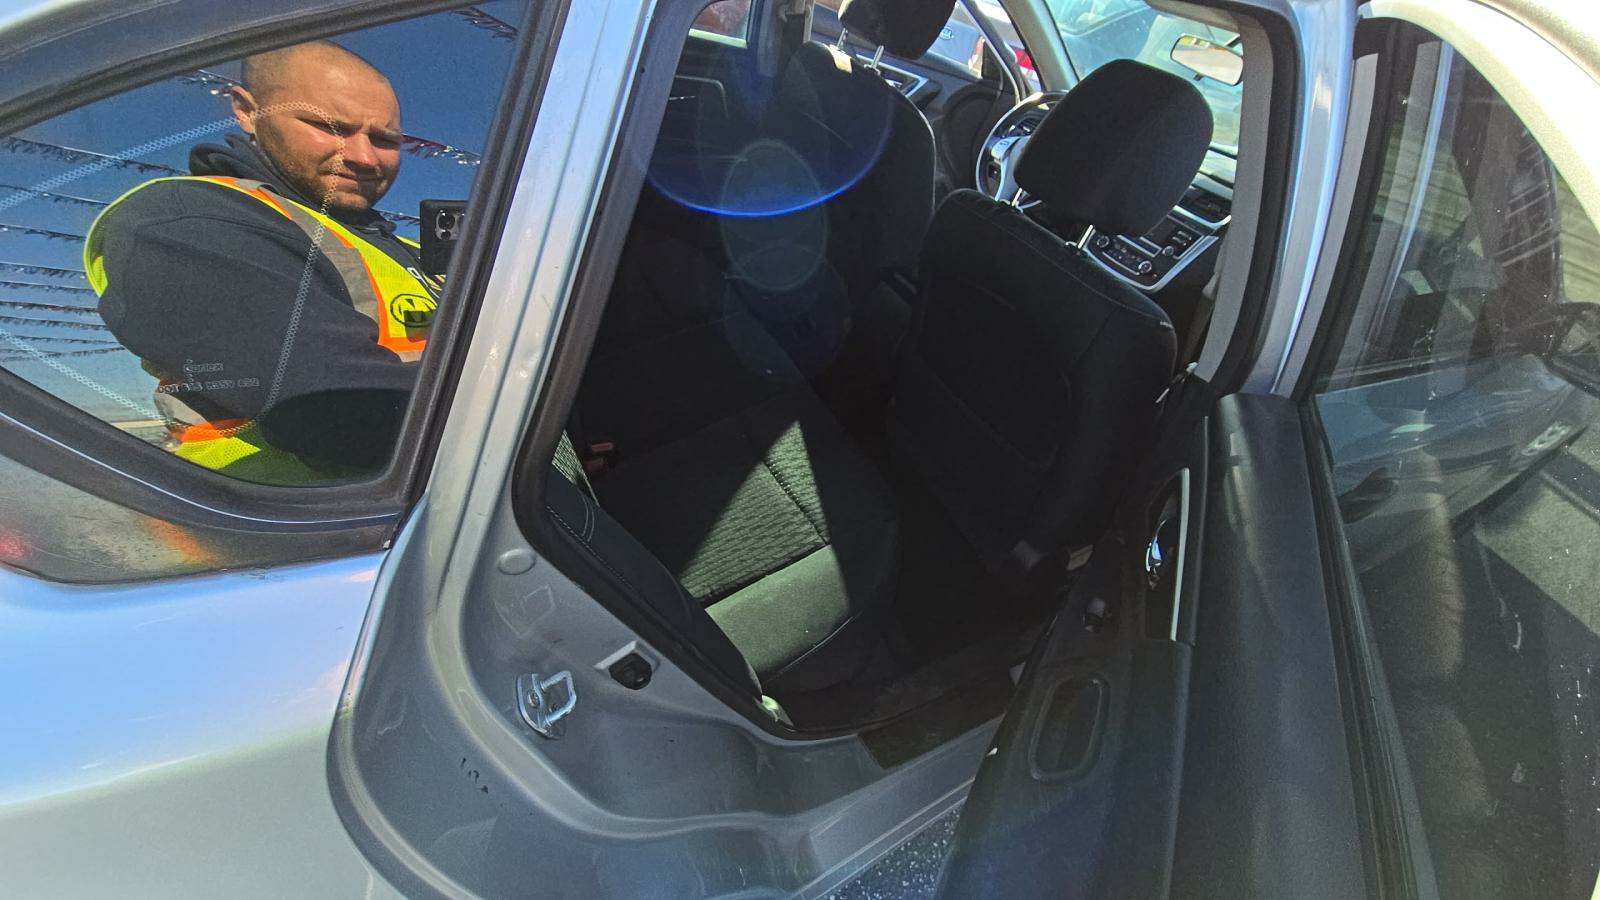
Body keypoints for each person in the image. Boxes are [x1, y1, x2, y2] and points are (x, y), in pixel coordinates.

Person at [85, 40, 440, 484]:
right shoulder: (188, 221)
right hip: (307, 518)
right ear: (248, 111)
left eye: (385, 139)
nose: (363, 157)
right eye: (327, 126)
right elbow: (341, 415)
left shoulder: (403, 248)